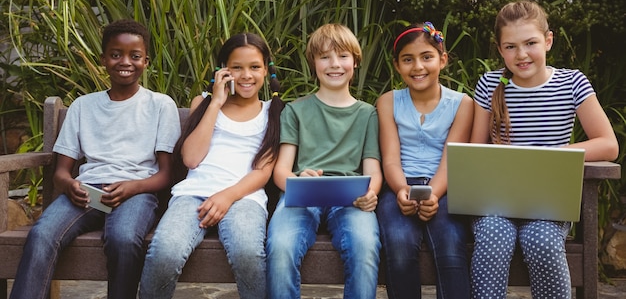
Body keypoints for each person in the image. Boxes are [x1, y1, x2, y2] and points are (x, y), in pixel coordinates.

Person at [10, 20, 181, 299]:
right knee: (41, 234)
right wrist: (69, 186)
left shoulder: (161, 105)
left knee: (123, 239)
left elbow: (165, 175)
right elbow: (61, 172)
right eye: (116, 54)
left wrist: (132, 187)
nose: (125, 62)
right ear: (103, 59)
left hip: (136, 192)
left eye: (134, 56)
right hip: (87, 192)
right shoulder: (83, 106)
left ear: (146, 61)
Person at [470, 0, 619, 299]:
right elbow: (475, 150)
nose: (521, 54)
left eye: (530, 43)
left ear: (548, 41)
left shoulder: (571, 82)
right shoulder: (489, 85)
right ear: (500, 50)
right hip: (497, 202)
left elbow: (608, 144)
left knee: (542, 241)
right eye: (510, 46)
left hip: (548, 204)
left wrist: (555, 154)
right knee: (492, 237)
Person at [139, 33, 284, 299]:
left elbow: (263, 171)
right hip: (193, 194)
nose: (246, 75)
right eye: (236, 68)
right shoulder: (203, 103)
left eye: (254, 67)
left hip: (244, 197)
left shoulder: (273, 111)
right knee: (165, 251)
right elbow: (192, 159)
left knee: (247, 252)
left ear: (266, 69)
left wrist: (227, 196)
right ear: (223, 71)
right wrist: (216, 102)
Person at [266, 23, 383, 299]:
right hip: (303, 194)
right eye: (325, 57)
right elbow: (281, 170)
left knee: (365, 245)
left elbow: (373, 170)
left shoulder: (367, 114)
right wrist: (297, 180)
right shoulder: (294, 110)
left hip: (350, 198)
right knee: (280, 246)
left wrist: (371, 193)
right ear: (313, 64)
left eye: (343, 56)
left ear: (355, 62)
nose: (335, 64)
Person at [376, 22, 473, 299]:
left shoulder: (462, 104)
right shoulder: (388, 102)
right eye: (408, 60)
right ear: (397, 65)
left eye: (426, 57)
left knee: (451, 244)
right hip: (399, 186)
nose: (418, 66)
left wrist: (435, 194)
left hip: (444, 187)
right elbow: (391, 159)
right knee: (398, 243)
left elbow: (450, 159)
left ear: (442, 60)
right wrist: (400, 190)